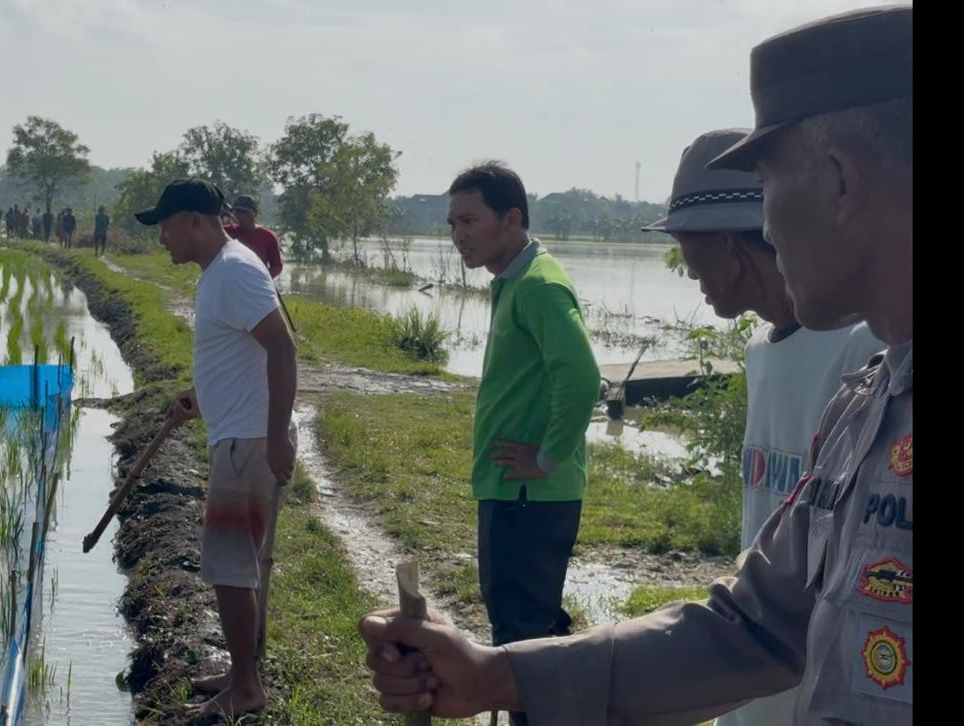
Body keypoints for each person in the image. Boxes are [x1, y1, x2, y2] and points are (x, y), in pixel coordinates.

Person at [359, 7, 912, 724]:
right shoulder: (866, 407)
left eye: (768, 186)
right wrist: (500, 676)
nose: (765, 225)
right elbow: (753, 626)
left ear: (840, 179)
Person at [643, 128, 884, 726]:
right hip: (755, 637)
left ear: (730, 243)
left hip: (819, 663)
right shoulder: (758, 350)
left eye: (687, 244)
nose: (685, 264)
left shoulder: (863, 349)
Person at [135, 178, 297, 720]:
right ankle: (240, 671)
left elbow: (282, 349)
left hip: (248, 440)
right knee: (235, 566)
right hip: (238, 431)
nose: (162, 239)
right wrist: (199, 398)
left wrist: (274, 437)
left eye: (166, 226)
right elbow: (240, 356)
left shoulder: (233, 270)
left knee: (229, 569)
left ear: (197, 221)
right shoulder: (219, 272)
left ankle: (247, 688)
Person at [448, 161, 601, 725]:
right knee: (524, 626)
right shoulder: (515, 281)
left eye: (469, 220)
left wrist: (548, 456)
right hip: (514, 491)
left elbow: (582, 376)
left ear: (511, 218)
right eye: (451, 223)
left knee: (523, 636)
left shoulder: (538, 284)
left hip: (530, 495)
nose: (460, 234)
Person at [222, 195, 283, 278]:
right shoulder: (226, 231)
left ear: (254, 213)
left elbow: (276, 266)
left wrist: (261, 278)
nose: (240, 216)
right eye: (237, 212)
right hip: (231, 280)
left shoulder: (268, 236)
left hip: (258, 283)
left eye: (244, 212)